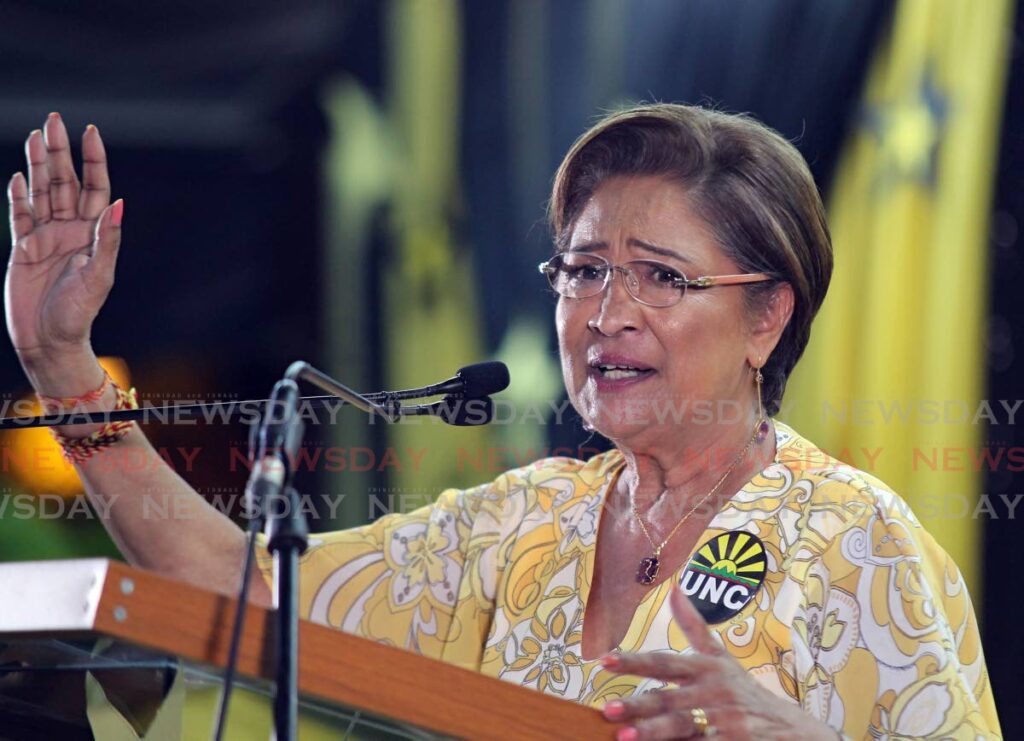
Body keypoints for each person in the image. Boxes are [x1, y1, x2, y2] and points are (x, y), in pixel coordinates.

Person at [5, 106, 1000, 740]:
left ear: (768, 316)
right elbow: (232, 596)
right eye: (582, 269)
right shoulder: (516, 523)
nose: (605, 312)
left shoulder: (859, 542)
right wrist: (66, 368)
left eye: (660, 276)